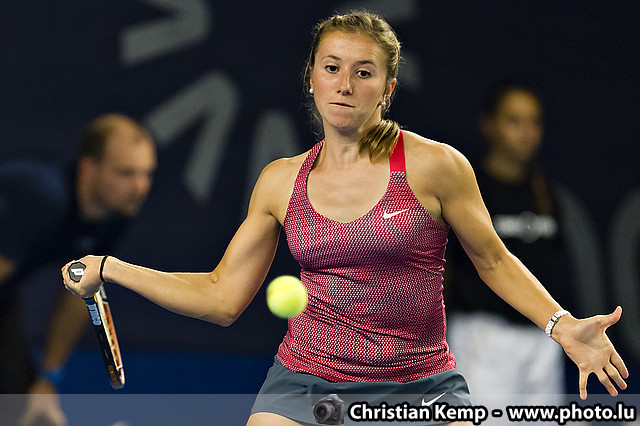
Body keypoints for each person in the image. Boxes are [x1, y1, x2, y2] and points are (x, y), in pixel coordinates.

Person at [62, 11, 627, 426]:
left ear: (388, 89)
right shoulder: (281, 181)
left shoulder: (436, 166)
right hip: (305, 381)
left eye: (364, 72)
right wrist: (111, 267)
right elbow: (221, 297)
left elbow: (494, 261)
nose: (345, 84)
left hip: (420, 387)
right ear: (311, 77)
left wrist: (562, 326)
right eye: (331, 68)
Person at [0, 114, 156, 426]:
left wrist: (47, 380)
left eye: (147, 173)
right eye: (126, 173)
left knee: (22, 405)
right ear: (88, 168)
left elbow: (78, 295)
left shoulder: (116, 214)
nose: (140, 187)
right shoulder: (42, 197)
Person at [444, 83, 575, 413]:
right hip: (485, 338)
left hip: (542, 335)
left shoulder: (545, 193)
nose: (526, 132)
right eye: (514, 120)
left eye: (534, 122)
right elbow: (444, 269)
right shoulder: (468, 190)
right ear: (489, 124)